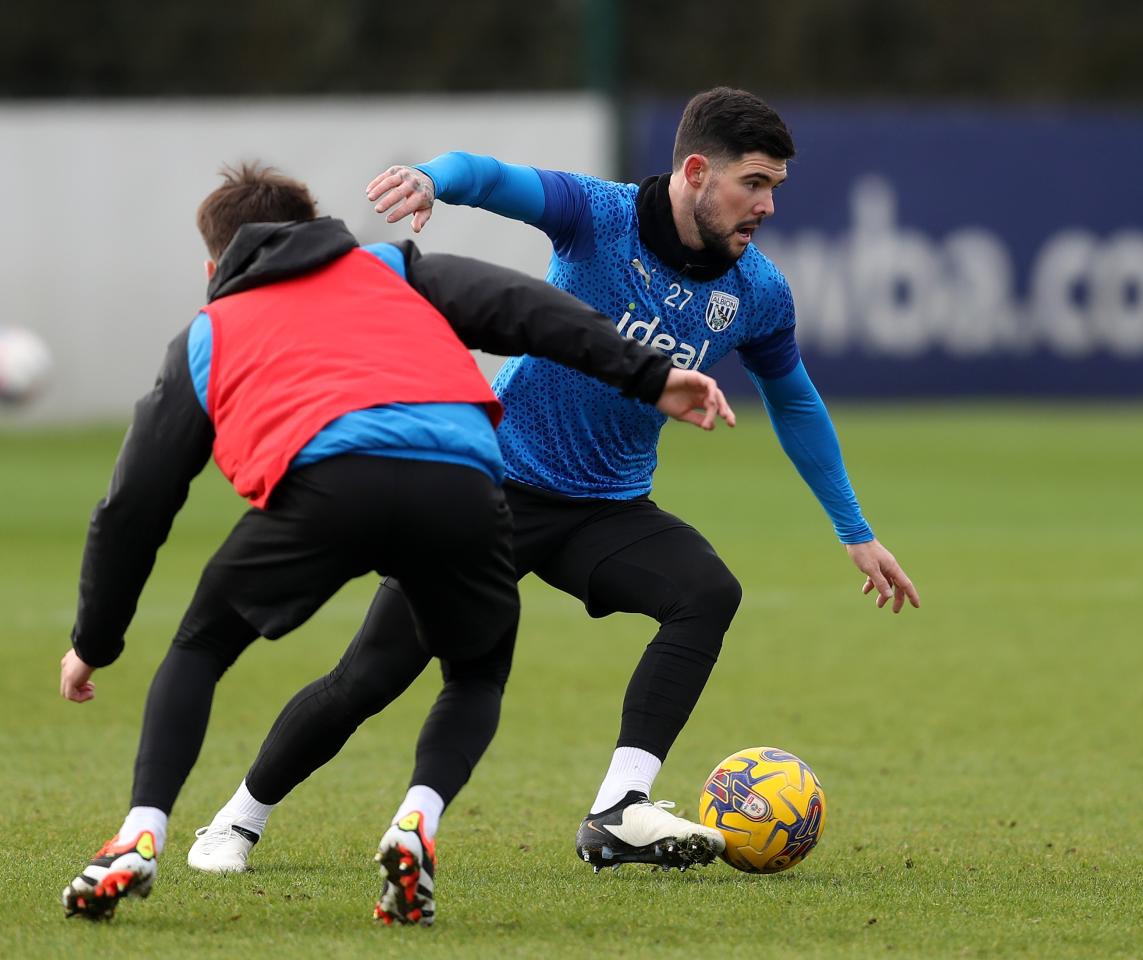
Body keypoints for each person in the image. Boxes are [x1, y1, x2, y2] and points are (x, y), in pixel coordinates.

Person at [188, 87, 919, 886]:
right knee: (370, 677)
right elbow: (492, 176)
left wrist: (855, 529)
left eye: (777, 186)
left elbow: (795, 401)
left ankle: (618, 809)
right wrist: (433, 179)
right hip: (491, 490)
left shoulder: (757, 291)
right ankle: (236, 819)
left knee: (706, 591)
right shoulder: (597, 216)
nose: (769, 205)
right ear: (697, 172)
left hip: (604, 510)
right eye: (755, 184)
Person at [58, 163, 731, 924]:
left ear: (215, 268)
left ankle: (141, 833)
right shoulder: (390, 269)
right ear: (315, 228)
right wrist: (648, 376)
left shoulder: (209, 331)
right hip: (464, 482)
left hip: (324, 484)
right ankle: (417, 819)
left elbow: (133, 506)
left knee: (203, 645)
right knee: (473, 676)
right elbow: (526, 308)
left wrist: (95, 639)